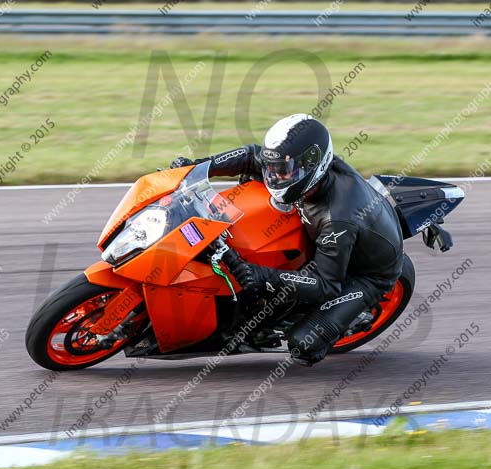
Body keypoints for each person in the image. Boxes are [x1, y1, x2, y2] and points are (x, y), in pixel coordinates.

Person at [170, 114, 403, 366]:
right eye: (273, 167)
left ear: (312, 165)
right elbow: (251, 156)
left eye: (284, 170)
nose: (275, 175)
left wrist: (261, 276)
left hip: (365, 274)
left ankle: (324, 328)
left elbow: (325, 284)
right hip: (333, 237)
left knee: (303, 343)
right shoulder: (300, 170)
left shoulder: (338, 219)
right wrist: (199, 167)